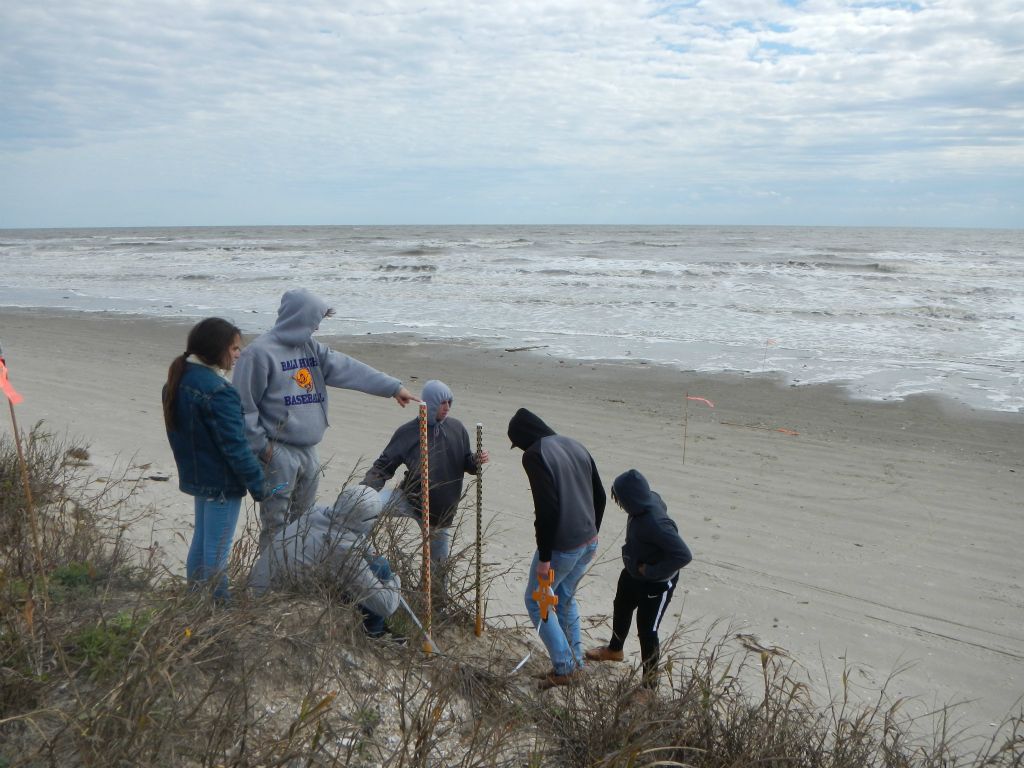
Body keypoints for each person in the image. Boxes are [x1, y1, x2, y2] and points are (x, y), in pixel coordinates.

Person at [231, 288, 417, 550]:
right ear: (299, 317)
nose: (317, 327)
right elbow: (243, 407)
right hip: (278, 453)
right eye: (315, 320)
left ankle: (293, 569)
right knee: (276, 523)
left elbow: (346, 367)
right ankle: (268, 572)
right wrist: (263, 448)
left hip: (309, 451)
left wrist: (393, 388)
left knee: (303, 522)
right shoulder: (258, 353)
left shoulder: (310, 348)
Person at [163, 317, 266, 602]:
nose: (238, 354)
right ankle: (218, 606)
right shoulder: (219, 391)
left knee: (202, 542)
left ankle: (194, 599)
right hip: (221, 481)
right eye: (234, 348)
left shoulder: (178, 379)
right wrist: (260, 485)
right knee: (216, 549)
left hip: (198, 476)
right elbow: (235, 446)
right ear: (215, 349)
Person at [507, 407, 606, 689]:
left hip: (563, 547)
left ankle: (564, 667)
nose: (521, 450)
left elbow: (546, 509)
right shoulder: (575, 445)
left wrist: (545, 557)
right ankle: (576, 662)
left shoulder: (535, 454)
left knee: (536, 601)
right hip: (588, 541)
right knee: (564, 599)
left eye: (519, 444)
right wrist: (591, 531)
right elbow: (600, 496)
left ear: (524, 437)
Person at [361, 380, 489, 570]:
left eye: (449, 402)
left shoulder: (457, 429)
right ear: (430, 404)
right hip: (409, 498)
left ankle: (434, 591)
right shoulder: (408, 432)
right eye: (442, 403)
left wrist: (475, 461)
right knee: (364, 509)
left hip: (439, 514)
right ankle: (366, 558)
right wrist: (363, 492)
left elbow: (466, 462)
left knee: (438, 571)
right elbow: (383, 466)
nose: (447, 408)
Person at [248, 485, 403, 640]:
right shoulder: (341, 550)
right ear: (368, 521)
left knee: (372, 564)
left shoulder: (315, 513)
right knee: (379, 567)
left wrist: (366, 551)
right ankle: (374, 634)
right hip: (274, 604)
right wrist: (395, 579)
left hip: (256, 589)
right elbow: (386, 606)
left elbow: (350, 533)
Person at [585, 469, 692, 690]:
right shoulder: (647, 500)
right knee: (621, 607)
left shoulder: (657, 523)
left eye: (620, 499)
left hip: (657, 584)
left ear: (630, 499)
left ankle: (649, 686)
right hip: (633, 572)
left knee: (647, 630)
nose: (619, 504)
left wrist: (651, 571)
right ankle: (615, 650)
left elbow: (683, 555)